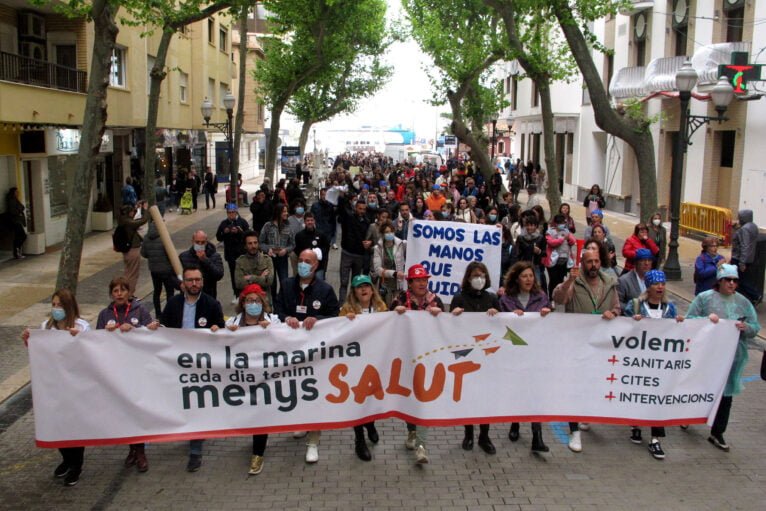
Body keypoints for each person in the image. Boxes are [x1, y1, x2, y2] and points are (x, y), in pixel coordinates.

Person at [685, 264, 760, 451]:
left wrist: (746, 328)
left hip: (731, 358)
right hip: (707, 357)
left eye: (735, 281)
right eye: (728, 280)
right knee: (700, 389)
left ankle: (718, 432)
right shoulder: (704, 299)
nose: (732, 284)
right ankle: (687, 415)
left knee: (726, 395)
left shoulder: (743, 302)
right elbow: (689, 320)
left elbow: (755, 327)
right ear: (719, 281)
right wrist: (705, 321)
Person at [552, 249, 620, 453]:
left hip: (599, 343)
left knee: (592, 383)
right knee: (575, 386)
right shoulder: (574, 280)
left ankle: (585, 415)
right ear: (582, 263)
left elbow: (617, 306)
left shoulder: (609, 282)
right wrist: (568, 282)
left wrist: (613, 312)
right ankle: (574, 431)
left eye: (596, 261)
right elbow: (559, 299)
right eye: (589, 261)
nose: (593, 265)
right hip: (577, 342)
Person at [275, 249, 339, 463]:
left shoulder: (326, 290)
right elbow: (278, 309)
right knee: (296, 390)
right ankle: (301, 424)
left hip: (316, 354)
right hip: (292, 352)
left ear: (315, 266)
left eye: (307, 261)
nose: (302, 264)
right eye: (300, 260)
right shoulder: (286, 285)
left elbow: (334, 316)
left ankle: (313, 441)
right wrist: (287, 318)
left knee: (315, 394)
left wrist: (317, 319)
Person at [22, 289, 90, 486]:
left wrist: (80, 339)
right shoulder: (46, 327)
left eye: (59, 305)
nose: (55, 309)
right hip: (53, 386)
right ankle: (66, 460)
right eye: (53, 305)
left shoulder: (82, 326)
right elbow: (40, 351)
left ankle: (76, 465)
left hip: (75, 386)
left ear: (68, 307)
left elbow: (92, 351)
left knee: (74, 428)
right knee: (58, 425)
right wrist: (29, 339)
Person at [161, 266, 225, 471]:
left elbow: (222, 333)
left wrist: (217, 330)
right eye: (190, 280)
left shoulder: (212, 304)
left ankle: (195, 450)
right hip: (177, 363)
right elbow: (163, 330)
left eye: (198, 280)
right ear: (183, 283)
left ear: (202, 282)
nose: (194, 284)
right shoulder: (172, 304)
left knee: (196, 402)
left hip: (201, 365)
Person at [96, 276, 159, 473]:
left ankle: (140, 452)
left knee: (136, 411)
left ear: (129, 293)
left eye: (123, 290)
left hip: (137, 370)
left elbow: (152, 335)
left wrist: (138, 329)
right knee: (124, 412)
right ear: (111, 294)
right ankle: (132, 449)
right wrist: (106, 333)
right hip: (115, 372)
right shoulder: (105, 314)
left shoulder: (140, 311)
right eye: (116, 291)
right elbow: (94, 341)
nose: (120, 294)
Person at [622, 269, 682, 460]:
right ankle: (636, 424)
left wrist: (679, 323)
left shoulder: (669, 309)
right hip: (640, 361)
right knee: (639, 394)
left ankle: (656, 439)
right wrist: (633, 321)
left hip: (660, 363)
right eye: (656, 284)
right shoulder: (636, 306)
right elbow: (624, 328)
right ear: (648, 287)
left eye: (662, 284)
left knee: (658, 398)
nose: (660, 287)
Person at [391, 264, 444, 464]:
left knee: (422, 399)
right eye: (418, 280)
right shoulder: (399, 299)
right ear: (410, 283)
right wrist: (395, 312)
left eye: (425, 280)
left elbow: (445, 325)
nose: (423, 284)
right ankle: (411, 431)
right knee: (409, 398)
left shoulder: (434, 300)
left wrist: (440, 314)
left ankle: (422, 445)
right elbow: (387, 324)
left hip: (427, 357)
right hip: (405, 357)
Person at [224, 283, 279, 475]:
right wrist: (220, 332)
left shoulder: (273, 321)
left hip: (265, 380)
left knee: (260, 416)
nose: (253, 304)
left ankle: (258, 454)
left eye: (256, 301)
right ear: (243, 303)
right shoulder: (232, 323)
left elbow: (287, 339)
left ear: (262, 303)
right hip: (241, 380)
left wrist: (273, 329)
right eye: (249, 301)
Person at [498, 261, 552, 453]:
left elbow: (546, 326)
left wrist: (546, 315)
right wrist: (511, 317)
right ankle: (515, 422)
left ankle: (537, 435)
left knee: (535, 392)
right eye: (524, 276)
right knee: (518, 390)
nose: (529, 279)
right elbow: (501, 328)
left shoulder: (541, 297)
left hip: (535, 353)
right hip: (515, 353)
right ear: (516, 278)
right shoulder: (507, 299)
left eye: (531, 276)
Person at [450, 262, 500, 455]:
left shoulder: (492, 298)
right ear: (468, 278)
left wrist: (498, 314)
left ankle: (484, 436)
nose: (479, 279)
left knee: (486, 397)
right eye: (475, 275)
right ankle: (468, 433)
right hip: (467, 356)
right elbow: (450, 331)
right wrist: (454, 316)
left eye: (482, 275)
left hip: (488, 357)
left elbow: (502, 328)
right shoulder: (459, 298)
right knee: (469, 397)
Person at [338, 274, 387, 461]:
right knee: (357, 401)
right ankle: (359, 440)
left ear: (372, 289)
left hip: (376, 363)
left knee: (371, 398)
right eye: (359, 287)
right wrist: (345, 323)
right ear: (354, 292)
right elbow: (338, 335)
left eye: (366, 286)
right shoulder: (347, 311)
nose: (364, 289)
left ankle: (370, 423)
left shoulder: (382, 309)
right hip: (355, 365)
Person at [336, 193, 372, 303]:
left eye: (363, 209)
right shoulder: (348, 217)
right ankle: (341, 304)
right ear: (355, 207)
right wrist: (342, 197)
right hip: (347, 253)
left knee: (355, 282)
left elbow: (371, 236)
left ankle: (353, 303)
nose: (361, 211)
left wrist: (370, 242)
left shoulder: (367, 222)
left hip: (359, 255)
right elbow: (341, 208)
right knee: (344, 281)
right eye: (360, 208)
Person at [140, 222, 180, 318]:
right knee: (169, 291)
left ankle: (158, 313)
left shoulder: (146, 238)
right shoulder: (164, 238)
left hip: (154, 270)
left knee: (157, 291)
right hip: (166, 270)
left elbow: (143, 253)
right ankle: (169, 312)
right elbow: (170, 254)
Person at [259, 203, 294, 301]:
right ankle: (273, 303)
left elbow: (292, 244)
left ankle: (283, 302)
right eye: (284, 211)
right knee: (271, 283)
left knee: (284, 281)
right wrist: (267, 249)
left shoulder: (288, 226)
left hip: (282, 259)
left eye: (286, 211)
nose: (286, 213)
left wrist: (286, 250)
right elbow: (260, 242)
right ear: (278, 212)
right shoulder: (267, 226)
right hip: (270, 259)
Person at [216, 204, 250, 303]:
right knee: (233, 275)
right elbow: (218, 237)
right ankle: (236, 294)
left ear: (236, 212)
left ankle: (245, 292)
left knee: (244, 274)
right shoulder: (224, 223)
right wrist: (224, 232)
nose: (231, 214)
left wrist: (239, 232)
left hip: (242, 253)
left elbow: (247, 236)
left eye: (233, 212)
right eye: (229, 213)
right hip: (230, 254)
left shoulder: (242, 222)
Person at [234, 231, 274, 309]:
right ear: (245, 246)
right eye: (250, 243)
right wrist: (261, 278)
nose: (253, 246)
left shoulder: (267, 260)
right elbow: (239, 283)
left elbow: (269, 281)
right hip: (246, 302)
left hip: (265, 301)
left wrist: (250, 278)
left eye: (255, 243)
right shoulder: (240, 261)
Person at [179, 230, 224, 299]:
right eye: (197, 242)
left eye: (202, 242)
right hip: (188, 296)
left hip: (208, 296)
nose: (200, 245)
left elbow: (219, 275)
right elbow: (176, 275)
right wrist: (179, 284)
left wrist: (205, 260)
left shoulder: (214, 256)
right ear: (192, 241)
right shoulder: (183, 256)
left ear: (206, 242)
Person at [118, 201, 149, 295]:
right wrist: (145, 209)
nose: (133, 213)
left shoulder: (123, 220)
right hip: (133, 250)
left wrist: (138, 207)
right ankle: (129, 294)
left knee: (128, 272)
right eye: (132, 211)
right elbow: (143, 220)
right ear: (128, 213)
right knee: (133, 274)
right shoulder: (129, 222)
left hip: (127, 250)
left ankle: (126, 292)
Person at [731, 209, 761, 305]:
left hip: (739, 258)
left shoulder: (745, 229)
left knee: (740, 280)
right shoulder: (753, 226)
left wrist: (742, 262)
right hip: (750, 258)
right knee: (744, 279)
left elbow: (745, 245)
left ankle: (755, 295)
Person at [544, 214, 576, 297]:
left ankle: (558, 296)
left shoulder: (567, 231)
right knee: (553, 280)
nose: (562, 224)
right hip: (552, 261)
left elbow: (573, 241)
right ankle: (551, 297)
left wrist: (569, 237)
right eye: (560, 223)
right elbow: (551, 243)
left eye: (563, 222)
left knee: (560, 280)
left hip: (564, 260)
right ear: (556, 223)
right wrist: (562, 239)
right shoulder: (550, 232)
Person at [294, 212, 330, 279]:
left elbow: (326, 248)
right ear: (304, 222)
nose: (310, 222)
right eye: (308, 220)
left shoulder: (321, 234)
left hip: (319, 266)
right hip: (305, 267)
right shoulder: (299, 236)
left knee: (318, 286)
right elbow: (296, 250)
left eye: (311, 220)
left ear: (314, 221)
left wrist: (318, 253)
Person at [6, 187, 27, 259]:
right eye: (16, 192)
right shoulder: (12, 201)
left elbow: (22, 207)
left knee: (18, 236)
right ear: (13, 193)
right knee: (22, 236)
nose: (18, 193)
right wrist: (19, 212)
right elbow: (14, 211)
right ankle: (17, 250)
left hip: (17, 221)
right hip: (15, 221)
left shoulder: (15, 200)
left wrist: (20, 210)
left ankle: (17, 251)